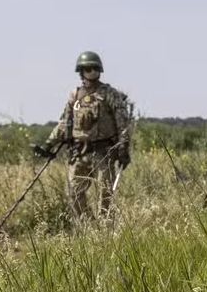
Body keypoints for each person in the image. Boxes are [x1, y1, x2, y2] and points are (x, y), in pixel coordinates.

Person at [35, 51, 133, 220]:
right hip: (79, 153)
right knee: (74, 193)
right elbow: (64, 122)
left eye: (95, 69)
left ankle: (105, 228)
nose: (92, 72)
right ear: (81, 71)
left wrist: (123, 147)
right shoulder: (75, 95)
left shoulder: (109, 94)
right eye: (88, 69)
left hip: (103, 152)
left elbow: (122, 122)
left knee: (105, 194)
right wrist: (49, 144)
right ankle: (89, 226)